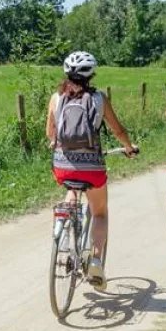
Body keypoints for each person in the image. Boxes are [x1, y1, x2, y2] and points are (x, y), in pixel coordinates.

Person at [46, 51, 137, 292]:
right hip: (92, 168)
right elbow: (118, 130)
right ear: (91, 74)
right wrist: (128, 147)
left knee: (71, 192)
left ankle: (65, 236)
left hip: (62, 166)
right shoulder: (99, 98)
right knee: (100, 213)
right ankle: (95, 260)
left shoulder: (56, 98)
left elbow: (50, 134)